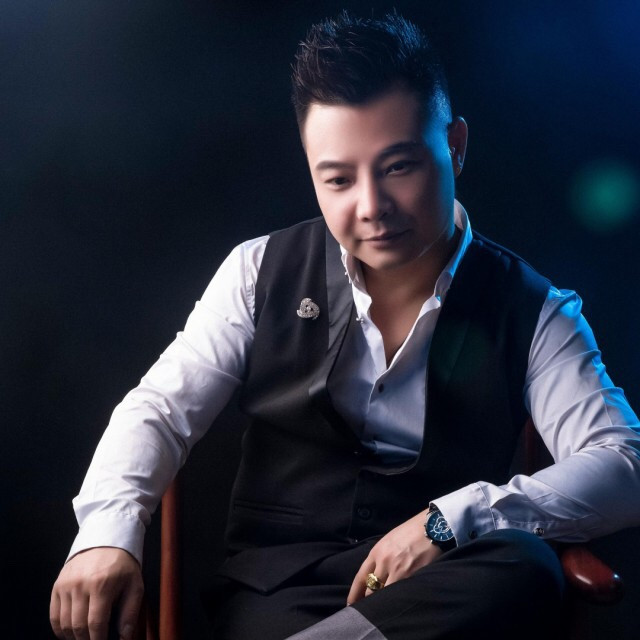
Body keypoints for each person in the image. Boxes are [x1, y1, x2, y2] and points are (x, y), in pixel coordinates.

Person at [50, 11, 640, 640]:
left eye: (399, 167)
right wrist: (105, 535)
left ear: (456, 146)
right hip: (282, 595)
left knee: (524, 568)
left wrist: (450, 521)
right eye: (337, 179)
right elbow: (160, 410)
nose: (371, 207)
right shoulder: (258, 272)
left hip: (440, 589)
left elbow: (624, 465)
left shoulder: (533, 308)